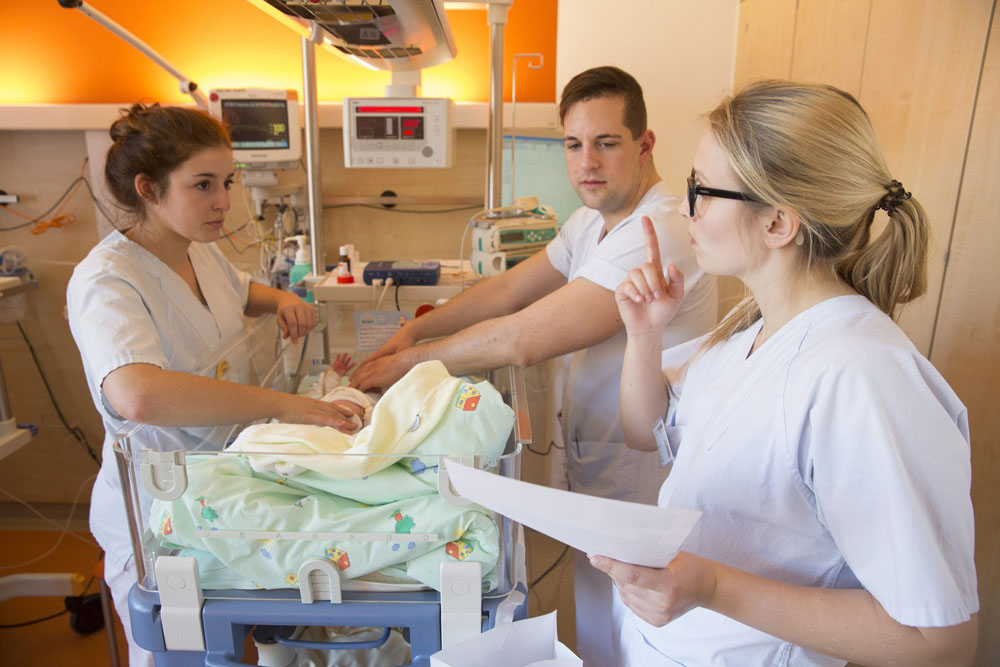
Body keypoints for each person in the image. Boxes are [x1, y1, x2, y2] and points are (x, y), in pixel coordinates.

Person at [594, 80, 978, 666]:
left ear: (777, 223)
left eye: (702, 190)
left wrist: (713, 587)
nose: (682, 206)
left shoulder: (861, 377)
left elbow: (940, 644)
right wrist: (644, 335)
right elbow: (645, 432)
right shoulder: (748, 333)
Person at [350, 66, 718, 664]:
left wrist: (410, 364)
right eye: (573, 145)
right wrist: (415, 328)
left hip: (647, 471)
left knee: (642, 636)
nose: (586, 163)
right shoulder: (590, 225)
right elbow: (508, 292)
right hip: (604, 455)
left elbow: (523, 336)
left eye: (606, 142)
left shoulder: (659, 230)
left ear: (645, 144)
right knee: (603, 624)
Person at [66, 103, 361, 666]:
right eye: (203, 185)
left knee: (238, 641)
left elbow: (242, 292)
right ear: (148, 188)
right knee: (180, 655)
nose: (223, 201)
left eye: (226, 182)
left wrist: (282, 300)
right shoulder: (107, 281)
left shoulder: (199, 252)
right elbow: (139, 393)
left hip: (221, 489)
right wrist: (287, 406)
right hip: (159, 508)